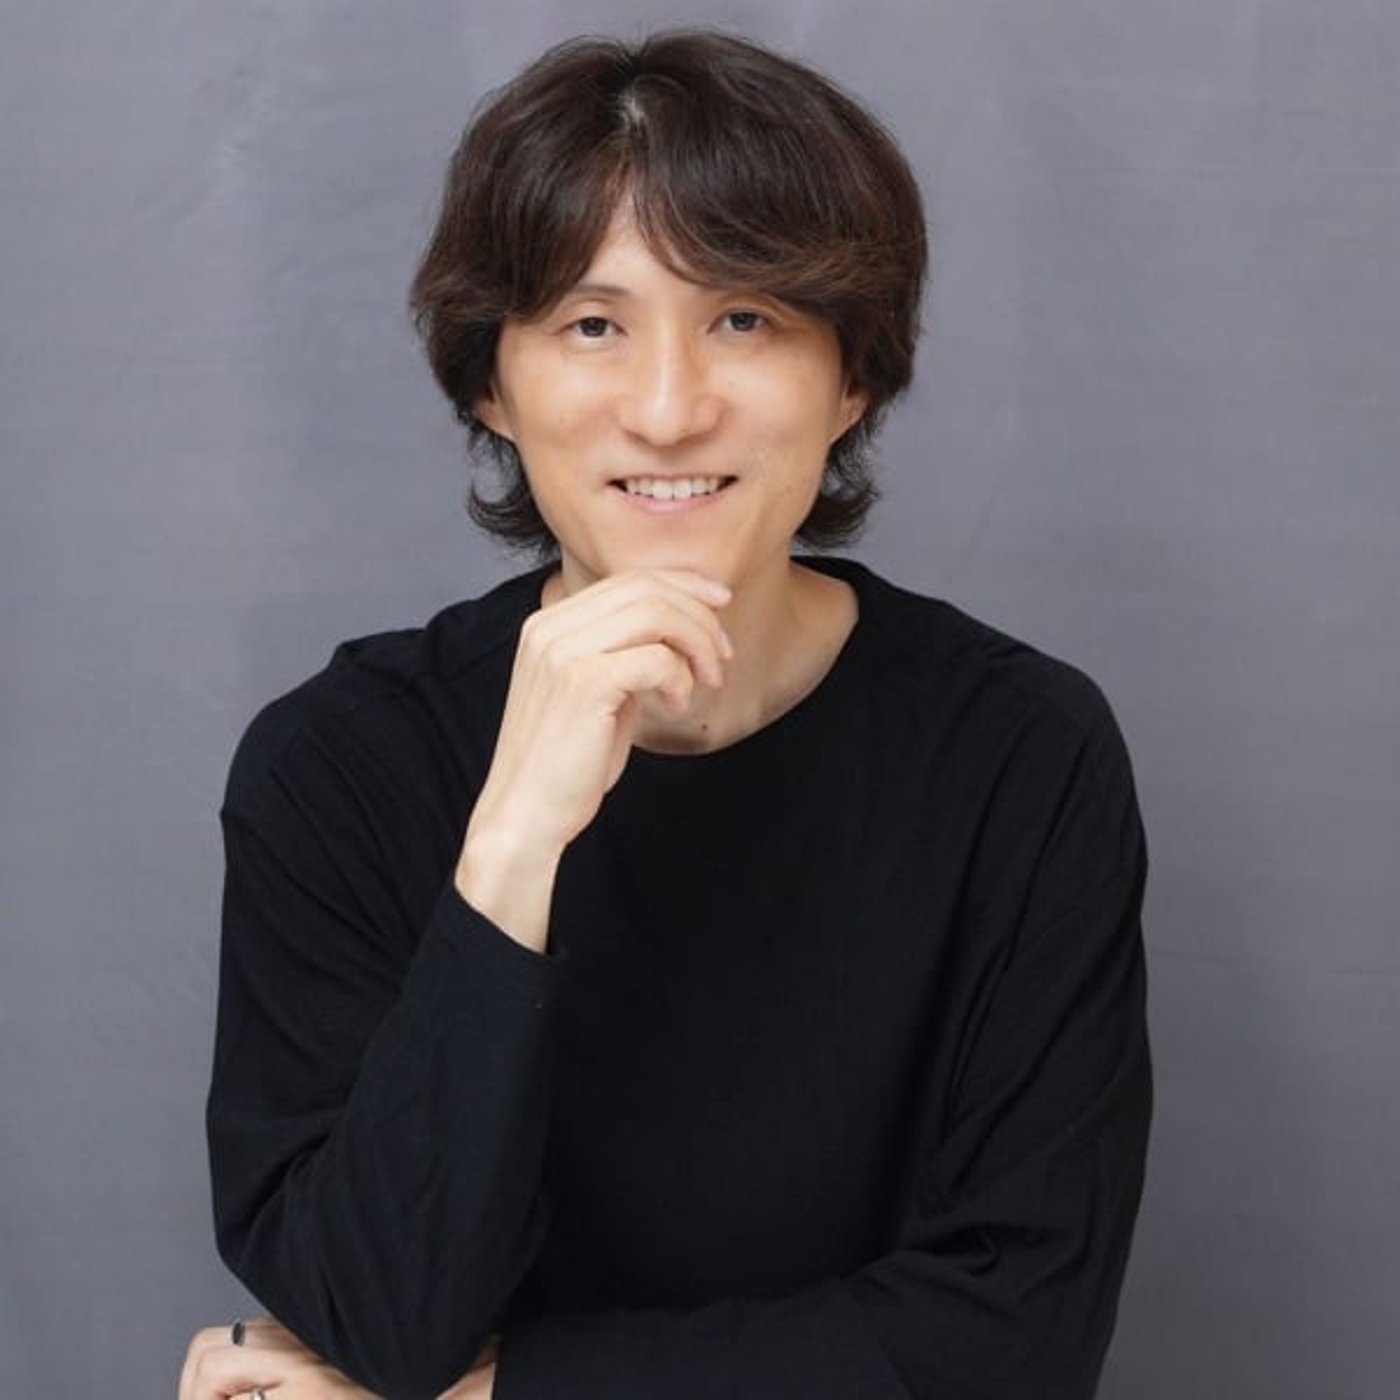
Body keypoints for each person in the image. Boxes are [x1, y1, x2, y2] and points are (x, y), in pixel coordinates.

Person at [180, 29, 1151, 1400]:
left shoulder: (1019, 753)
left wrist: (503, 1394)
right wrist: (512, 845)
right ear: (490, 384)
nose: (669, 407)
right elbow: (377, 1317)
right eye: (593, 325)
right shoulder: (338, 767)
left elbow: (1016, 1335)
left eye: (744, 319)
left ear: (854, 379)